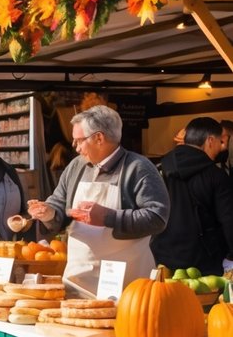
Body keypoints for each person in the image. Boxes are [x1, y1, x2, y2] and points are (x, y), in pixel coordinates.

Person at [27, 106, 169, 297]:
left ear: (99, 138)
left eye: (79, 141)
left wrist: (108, 217)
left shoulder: (139, 168)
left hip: (127, 286)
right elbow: (58, 202)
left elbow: (157, 217)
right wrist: (49, 212)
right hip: (78, 282)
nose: (75, 147)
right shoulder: (76, 166)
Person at [151, 117, 233, 276]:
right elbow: (229, 218)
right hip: (205, 261)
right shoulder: (216, 175)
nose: (221, 148)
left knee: (165, 299)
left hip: (162, 256)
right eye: (219, 142)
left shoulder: (158, 169)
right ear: (210, 140)